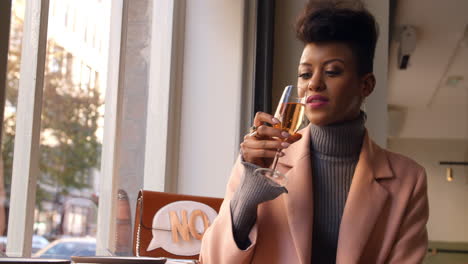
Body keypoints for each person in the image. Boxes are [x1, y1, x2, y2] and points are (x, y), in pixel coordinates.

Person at [199, 1, 429, 263]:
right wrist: (249, 189)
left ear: (366, 85)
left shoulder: (408, 180)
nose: (314, 84)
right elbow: (212, 259)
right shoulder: (260, 158)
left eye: (332, 71)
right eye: (305, 74)